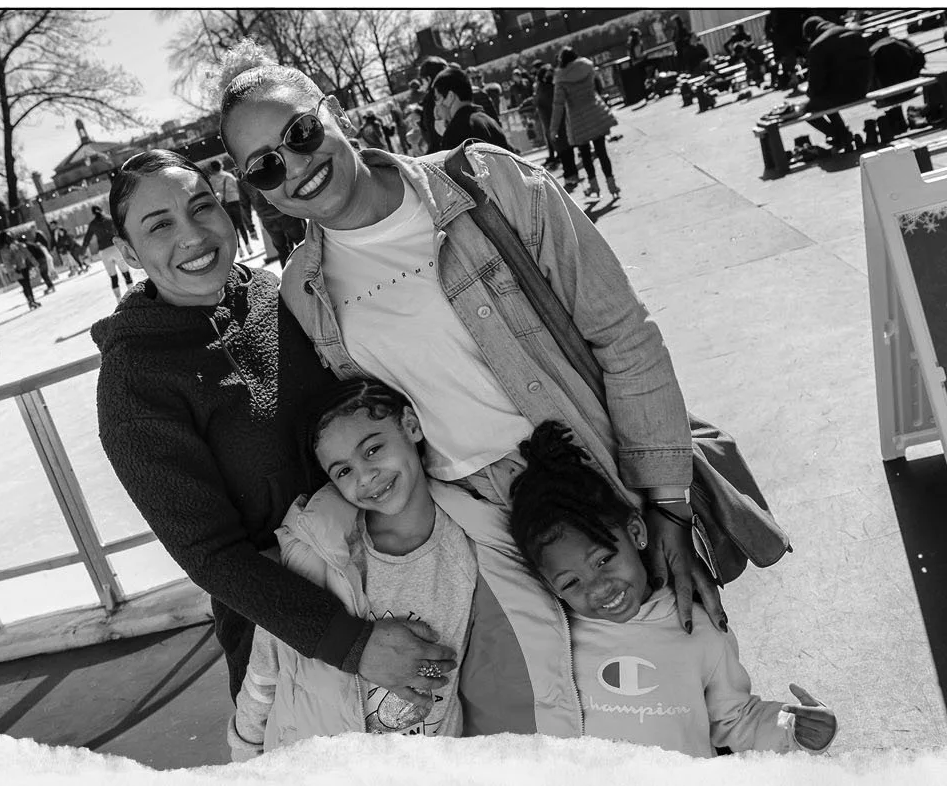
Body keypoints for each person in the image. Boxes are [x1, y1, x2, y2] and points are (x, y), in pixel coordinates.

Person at [220, 49, 779, 735]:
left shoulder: (488, 183)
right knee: (572, 726)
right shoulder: (305, 285)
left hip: (589, 484)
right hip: (473, 524)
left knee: (676, 690)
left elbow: (623, 336)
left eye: (300, 133)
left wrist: (663, 503)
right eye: (266, 166)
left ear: (333, 113)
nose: (295, 166)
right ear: (257, 189)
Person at [92, 147, 457, 710]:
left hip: (402, 571)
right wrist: (351, 644)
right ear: (127, 252)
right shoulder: (135, 380)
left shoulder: (273, 293)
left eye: (201, 207)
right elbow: (211, 555)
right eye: (159, 225)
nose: (193, 235)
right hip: (301, 641)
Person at [508, 423, 836, 757]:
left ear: (636, 531)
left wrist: (792, 730)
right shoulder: (557, 642)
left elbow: (737, 721)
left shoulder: (702, 630)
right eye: (570, 583)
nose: (598, 589)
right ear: (551, 587)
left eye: (604, 559)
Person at [230, 377, 478, 755]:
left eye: (374, 449)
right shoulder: (314, 552)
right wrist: (245, 750)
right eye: (343, 471)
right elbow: (266, 666)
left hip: (433, 776)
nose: (365, 477)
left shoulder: (473, 539)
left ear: (411, 426)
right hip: (317, 773)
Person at [549, 47, 620, 203]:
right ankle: (612, 185)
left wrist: (553, 128)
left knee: (586, 156)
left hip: (578, 120)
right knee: (602, 152)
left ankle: (594, 186)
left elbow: (558, 105)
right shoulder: (587, 68)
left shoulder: (561, 78)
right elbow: (598, 87)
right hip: (595, 113)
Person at [801, 14, 872, 148]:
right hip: (863, 88)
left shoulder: (817, 46)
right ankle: (842, 134)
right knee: (825, 99)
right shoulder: (852, 33)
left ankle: (839, 134)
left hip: (841, 95)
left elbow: (815, 86)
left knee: (807, 107)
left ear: (810, 35)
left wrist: (809, 92)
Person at [428, 64, 511, 150]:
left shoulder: (455, 133)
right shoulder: (490, 122)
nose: (437, 106)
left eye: (437, 98)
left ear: (450, 96)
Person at [81, 204, 135, 297]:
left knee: (113, 278)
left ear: (93, 213)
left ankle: (118, 301)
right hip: (116, 249)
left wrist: (82, 251)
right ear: (101, 210)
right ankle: (134, 296)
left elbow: (87, 238)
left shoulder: (93, 224)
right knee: (126, 273)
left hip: (104, 252)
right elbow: (121, 229)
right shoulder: (110, 219)